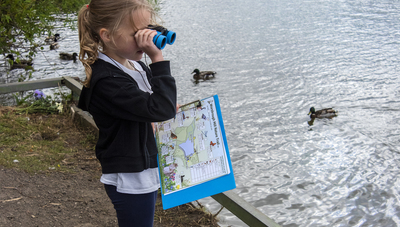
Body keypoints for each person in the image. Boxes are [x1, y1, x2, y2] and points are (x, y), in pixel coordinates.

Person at [77, 0, 177, 226]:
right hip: (131, 176)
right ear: (107, 35)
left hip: (144, 167)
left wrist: (171, 106)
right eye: (136, 34)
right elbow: (159, 109)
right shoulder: (108, 81)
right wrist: (158, 59)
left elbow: (155, 106)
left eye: (147, 30)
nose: (145, 39)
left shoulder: (135, 66)